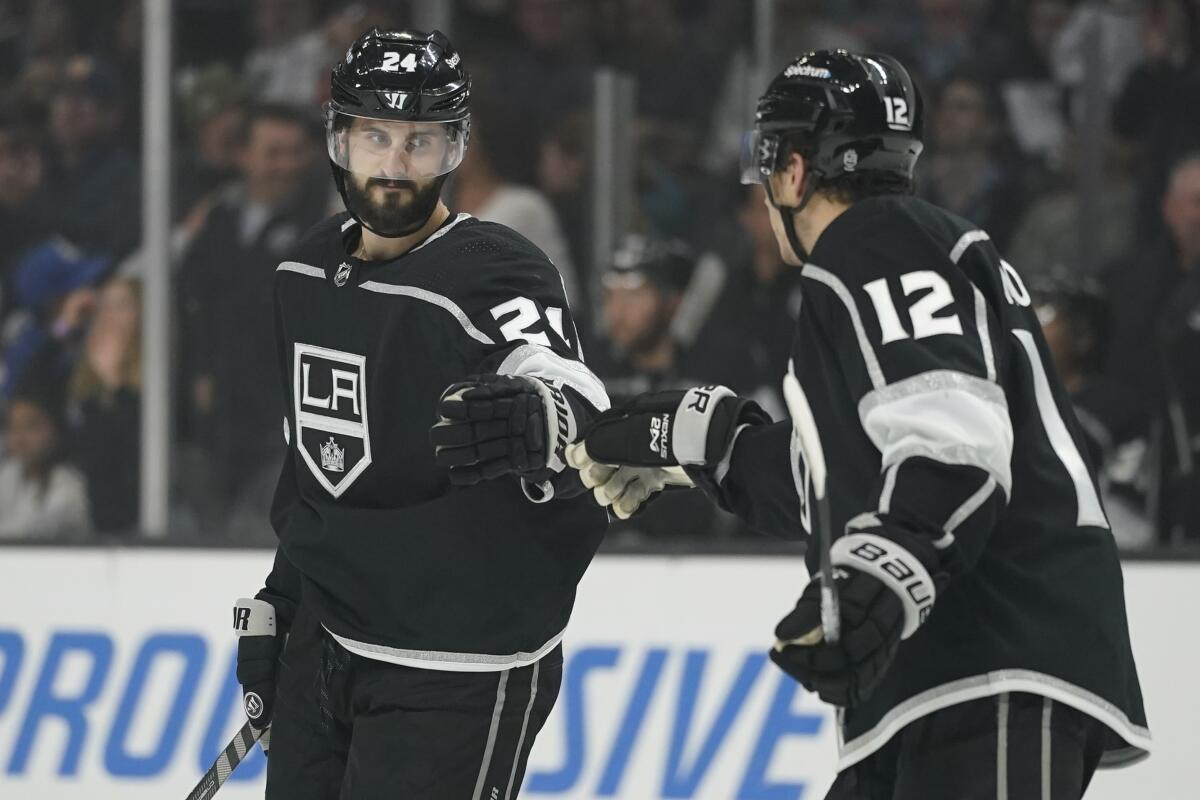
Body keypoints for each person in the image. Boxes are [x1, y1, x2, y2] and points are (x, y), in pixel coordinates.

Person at [569, 50, 1149, 798]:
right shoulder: (906, 248)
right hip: (936, 681)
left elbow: (954, 436)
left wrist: (887, 568)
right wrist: (709, 444)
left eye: (765, 165)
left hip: (989, 659)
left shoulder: (875, 241)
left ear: (795, 170)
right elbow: (850, 478)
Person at [231, 28, 609, 798]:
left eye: (420, 142)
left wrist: (551, 422)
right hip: (328, 642)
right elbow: (320, 464)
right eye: (375, 136)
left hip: (455, 672)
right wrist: (284, 597)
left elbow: (575, 395)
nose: (396, 167)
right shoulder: (302, 274)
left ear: (455, 149)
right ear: (339, 138)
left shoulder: (497, 271)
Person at [68, 276, 142, 534]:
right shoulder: (85, 390)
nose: (109, 315)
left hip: (134, 528)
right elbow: (31, 389)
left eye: (121, 304)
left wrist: (114, 383)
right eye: (103, 306)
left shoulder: (156, 393)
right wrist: (64, 326)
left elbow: (134, 464)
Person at [0, 390, 89, 539]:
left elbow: (30, 531)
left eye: (31, 426)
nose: (20, 438)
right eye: (13, 427)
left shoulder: (69, 484)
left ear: (54, 430)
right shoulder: (8, 475)